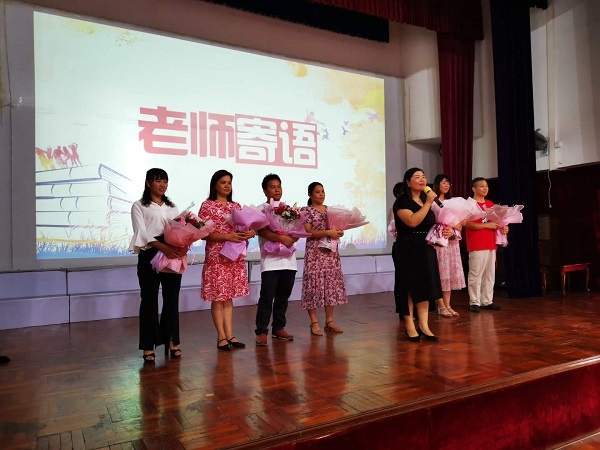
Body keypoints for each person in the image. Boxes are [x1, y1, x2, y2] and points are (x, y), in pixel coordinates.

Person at [129, 168, 187, 363]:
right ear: (148, 183)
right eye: (158, 181)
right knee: (149, 300)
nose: (162, 185)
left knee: (171, 299)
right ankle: (148, 345)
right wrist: (163, 247)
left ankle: (172, 341)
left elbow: (179, 230)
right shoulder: (139, 205)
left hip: (172, 253)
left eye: (165, 181)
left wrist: (182, 246)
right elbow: (141, 233)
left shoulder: (172, 206)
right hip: (150, 253)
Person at [393, 168, 453, 342]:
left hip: (425, 247)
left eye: (423, 177)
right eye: (417, 177)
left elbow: (433, 225)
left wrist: (447, 231)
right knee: (408, 286)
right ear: (408, 182)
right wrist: (428, 203)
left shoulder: (427, 202)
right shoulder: (402, 201)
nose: (422, 180)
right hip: (407, 247)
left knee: (425, 286)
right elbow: (412, 222)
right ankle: (409, 325)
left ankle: (424, 325)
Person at [199, 169, 255, 351]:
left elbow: (243, 228)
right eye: (223, 182)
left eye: (229, 182)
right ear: (215, 185)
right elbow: (203, 234)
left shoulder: (236, 206)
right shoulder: (207, 206)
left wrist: (250, 232)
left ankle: (230, 335)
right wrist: (226, 236)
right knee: (218, 297)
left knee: (228, 297)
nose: (227, 185)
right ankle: (221, 336)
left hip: (234, 256)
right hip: (216, 256)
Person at [254, 174, 297, 346]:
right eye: (272, 187)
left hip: (289, 261)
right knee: (267, 297)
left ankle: (279, 328)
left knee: (283, 297)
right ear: (265, 191)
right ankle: (261, 331)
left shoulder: (290, 210)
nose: (277, 189)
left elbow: (297, 229)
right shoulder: (261, 209)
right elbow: (262, 231)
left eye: (279, 186)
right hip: (270, 262)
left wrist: (293, 236)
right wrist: (281, 238)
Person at [301, 182, 347, 335]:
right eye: (317, 192)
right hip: (314, 252)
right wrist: (327, 232)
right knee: (313, 285)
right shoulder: (306, 210)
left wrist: (339, 232)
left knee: (330, 285)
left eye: (323, 191)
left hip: (330, 253)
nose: (321, 194)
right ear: (310, 194)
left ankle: (329, 321)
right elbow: (308, 232)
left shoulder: (330, 210)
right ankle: (314, 322)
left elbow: (337, 228)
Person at [464, 177, 509, 312]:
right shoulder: (469, 204)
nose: (485, 188)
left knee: (490, 273)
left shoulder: (490, 204)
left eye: (486, 186)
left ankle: (487, 300)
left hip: (490, 243)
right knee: (476, 273)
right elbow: (467, 224)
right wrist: (486, 225)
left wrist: (504, 228)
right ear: (474, 189)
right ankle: (474, 301)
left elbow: (499, 222)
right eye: (482, 186)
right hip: (477, 243)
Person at [432, 174, 466, 317]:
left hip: (452, 241)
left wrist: (454, 227)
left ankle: (448, 305)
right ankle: (440, 305)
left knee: (449, 274)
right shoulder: (432, 202)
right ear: (437, 184)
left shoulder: (453, 202)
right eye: (443, 182)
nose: (446, 185)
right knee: (440, 273)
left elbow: (461, 224)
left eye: (448, 183)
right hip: (439, 241)